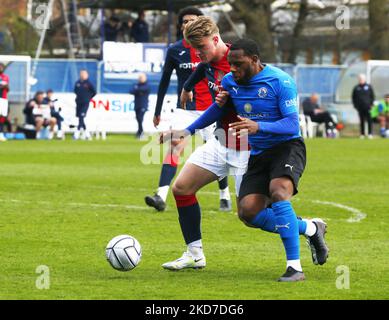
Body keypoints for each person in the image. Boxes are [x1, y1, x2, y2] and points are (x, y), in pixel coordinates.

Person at [161, 27, 328, 280]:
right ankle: (195, 254)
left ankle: (295, 266)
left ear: (254, 60)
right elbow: (218, 109)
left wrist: (258, 126)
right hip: (227, 143)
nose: (233, 70)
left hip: (261, 149)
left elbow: (293, 125)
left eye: (238, 65)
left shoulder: (279, 81)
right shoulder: (229, 79)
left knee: (270, 199)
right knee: (194, 193)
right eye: (231, 66)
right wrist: (186, 131)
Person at [144, 7, 232, 213]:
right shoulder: (176, 50)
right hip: (185, 109)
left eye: (192, 20)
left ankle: (224, 194)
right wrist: (158, 110)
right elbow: (164, 81)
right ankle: (161, 194)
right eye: (184, 21)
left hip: (212, 108)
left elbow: (203, 70)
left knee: (218, 152)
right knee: (175, 145)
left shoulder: (216, 49)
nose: (187, 24)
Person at [73, 69, 96, 140]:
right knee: (80, 117)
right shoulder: (77, 83)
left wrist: (88, 98)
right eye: (81, 73)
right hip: (78, 102)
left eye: (84, 74)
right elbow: (75, 91)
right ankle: (87, 134)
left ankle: (76, 133)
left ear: (87, 75)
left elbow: (94, 92)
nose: (82, 75)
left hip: (85, 103)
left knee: (81, 116)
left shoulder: (89, 83)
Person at [352, 74, 375, 139]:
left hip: (368, 107)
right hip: (360, 107)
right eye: (360, 79)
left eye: (362, 79)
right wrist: (355, 106)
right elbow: (353, 98)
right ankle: (362, 134)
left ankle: (370, 134)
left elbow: (372, 96)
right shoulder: (356, 88)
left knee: (369, 120)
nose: (361, 80)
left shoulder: (369, 87)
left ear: (364, 79)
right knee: (361, 120)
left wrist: (371, 104)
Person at [130, 73, 150, 139]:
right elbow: (131, 91)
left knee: (140, 119)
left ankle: (141, 133)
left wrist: (137, 90)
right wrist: (138, 90)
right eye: (139, 77)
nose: (140, 79)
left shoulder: (146, 85)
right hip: (137, 105)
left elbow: (143, 89)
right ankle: (139, 132)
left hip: (143, 105)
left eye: (142, 77)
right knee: (138, 119)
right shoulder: (136, 85)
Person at [0, 62, 10, 141]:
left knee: (3, 116)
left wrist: (5, 86)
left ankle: (1, 133)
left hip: (3, 99)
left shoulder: (5, 77)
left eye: (1, 67)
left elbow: (7, 88)